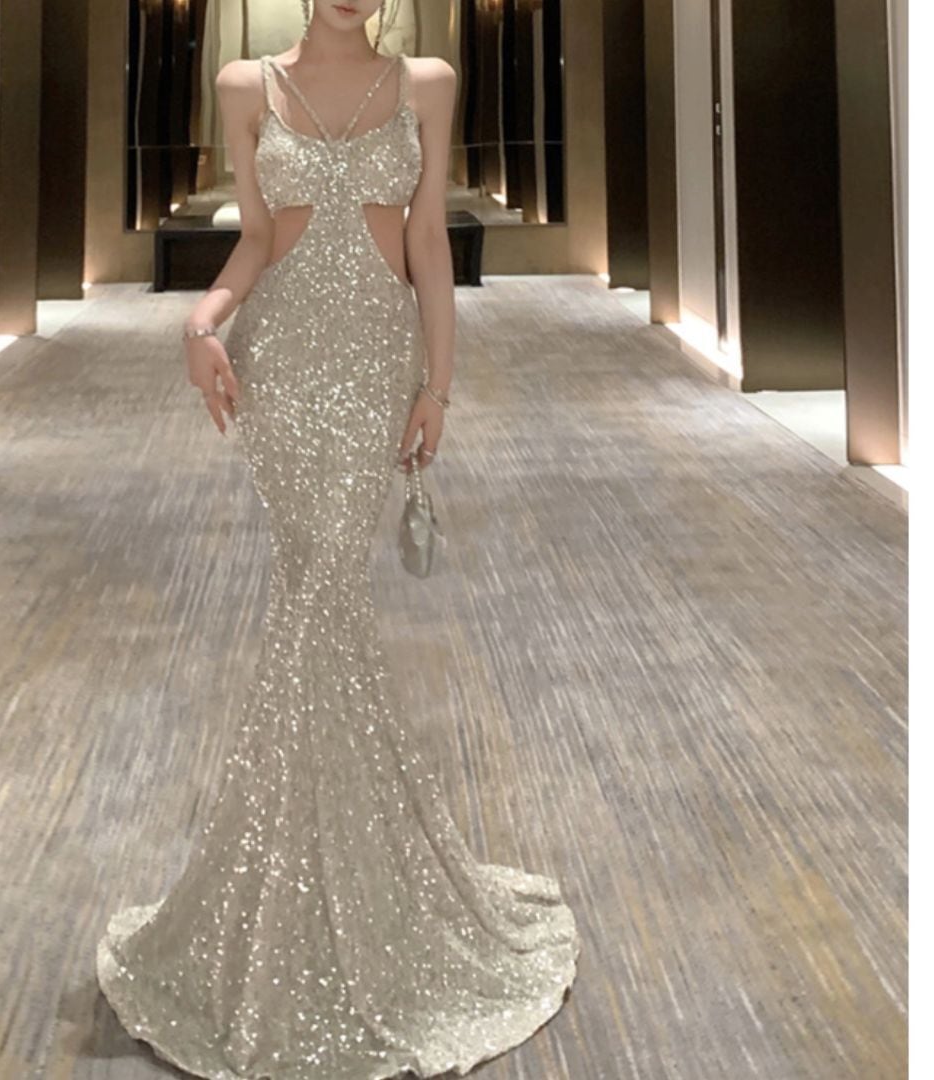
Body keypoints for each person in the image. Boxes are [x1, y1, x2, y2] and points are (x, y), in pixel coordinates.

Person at [96, 3, 581, 1077]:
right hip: (281, 362)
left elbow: (426, 243)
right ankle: (312, 879)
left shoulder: (427, 81)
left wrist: (438, 386)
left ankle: (308, 880)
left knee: (324, 599)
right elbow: (256, 240)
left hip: (372, 360)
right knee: (313, 600)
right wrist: (202, 321)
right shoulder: (244, 84)